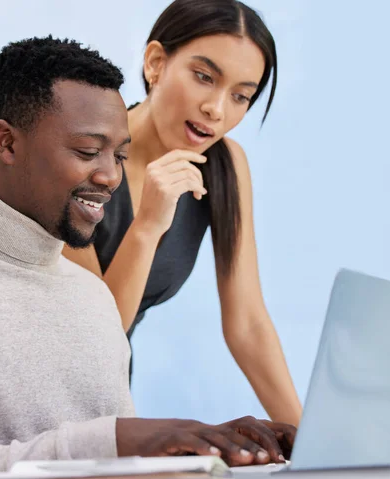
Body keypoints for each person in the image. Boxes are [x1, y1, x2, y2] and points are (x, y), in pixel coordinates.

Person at [0, 36, 295, 479]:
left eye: (119, 156)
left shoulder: (90, 295)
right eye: (88, 152)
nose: (109, 176)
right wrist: (124, 440)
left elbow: (101, 463)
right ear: (7, 144)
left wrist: (199, 451)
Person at [62, 0, 303, 427]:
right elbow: (92, 340)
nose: (217, 109)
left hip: (108, 400)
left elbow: (247, 325)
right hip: (33, 398)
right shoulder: (77, 160)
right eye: (204, 77)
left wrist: (320, 449)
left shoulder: (224, 165)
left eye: (241, 95)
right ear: (156, 63)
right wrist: (148, 226)